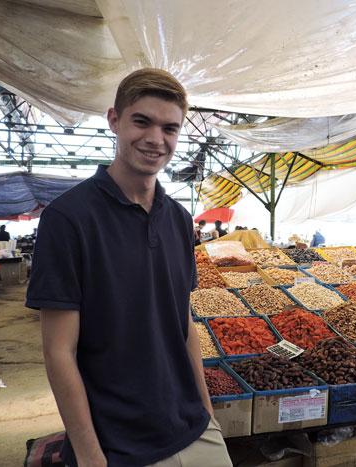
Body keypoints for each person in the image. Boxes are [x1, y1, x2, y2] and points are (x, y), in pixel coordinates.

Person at [26, 69, 231, 467]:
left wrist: (207, 411)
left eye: (170, 128)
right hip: (117, 446)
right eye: (142, 121)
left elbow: (183, 324)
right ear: (114, 120)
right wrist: (89, 455)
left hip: (194, 429)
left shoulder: (178, 219)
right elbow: (59, 352)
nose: (156, 139)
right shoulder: (68, 219)